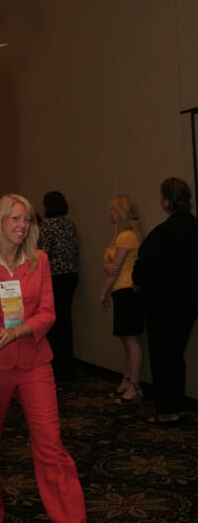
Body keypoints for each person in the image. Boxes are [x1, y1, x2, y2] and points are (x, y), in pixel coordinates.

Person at [0, 194, 86, 523]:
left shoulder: (38, 260)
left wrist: (17, 331)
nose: (22, 225)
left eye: (26, 219)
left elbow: (48, 313)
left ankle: (70, 517)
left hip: (35, 362)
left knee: (50, 445)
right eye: (15, 218)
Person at [133, 178, 198, 425]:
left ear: (166, 201)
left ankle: (167, 411)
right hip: (189, 303)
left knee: (163, 357)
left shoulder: (163, 232)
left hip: (162, 305)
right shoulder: (194, 227)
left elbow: (143, 265)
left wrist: (140, 282)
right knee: (176, 355)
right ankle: (177, 406)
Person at [100, 196, 144, 403]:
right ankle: (127, 380)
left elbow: (115, 269)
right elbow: (114, 267)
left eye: (112, 210)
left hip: (127, 291)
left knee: (131, 341)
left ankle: (135, 385)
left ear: (119, 212)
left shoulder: (126, 235)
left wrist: (103, 292)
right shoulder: (121, 236)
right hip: (122, 291)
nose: (109, 213)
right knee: (126, 340)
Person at [38, 191, 79, 376]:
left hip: (54, 276)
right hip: (70, 275)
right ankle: (67, 363)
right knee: (65, 318)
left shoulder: (47, 225)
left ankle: (54, 364)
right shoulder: (69, 224)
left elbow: (43, 254)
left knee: (52, 320)